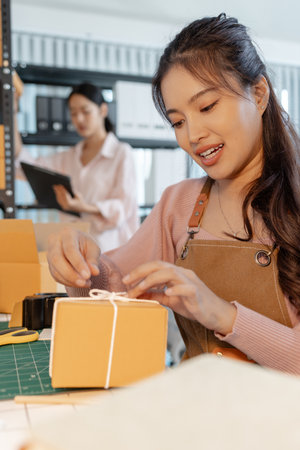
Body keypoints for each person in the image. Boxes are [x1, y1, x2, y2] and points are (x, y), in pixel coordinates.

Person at [47, 14, 300, 375]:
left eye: (207, 106)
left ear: (258, 94)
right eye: (178, 122)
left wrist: (220, 313)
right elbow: (110, 290)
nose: (193, 135)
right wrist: (80, 265)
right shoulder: (179, 205)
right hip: (199, 415)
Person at [15, 83, 139, 252]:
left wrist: (83, 207)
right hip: (75, 253)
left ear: (103, 110)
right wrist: (12, 112)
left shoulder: (121, 153)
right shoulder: (69, 156)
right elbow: (24, 165)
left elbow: (123, 208)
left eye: (85, 111)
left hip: (112, 254)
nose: (79, 119)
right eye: (73, 113)